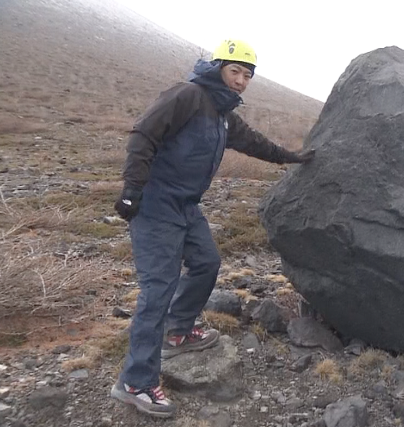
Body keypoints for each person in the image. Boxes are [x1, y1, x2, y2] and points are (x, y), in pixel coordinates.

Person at [109, 39, 314, 418]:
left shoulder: (222, 113)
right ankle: (134, 382)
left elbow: (253, 142)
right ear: (218, 67)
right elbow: (144, 135)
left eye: (247, 76)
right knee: (158, 289)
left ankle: (178, 330)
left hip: (186, 206)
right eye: (235, 71)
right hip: (156, 204)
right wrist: (131, 190)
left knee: (207, 263)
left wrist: (292, 158)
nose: (240, 81)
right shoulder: (188, 95)